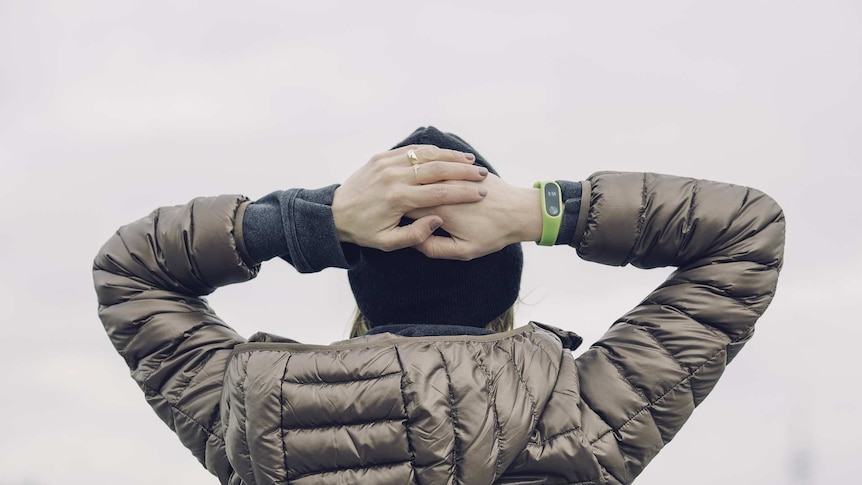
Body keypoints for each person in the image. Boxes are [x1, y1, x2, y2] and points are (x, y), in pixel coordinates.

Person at [93, 127, 785, 485]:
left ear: (365, 290)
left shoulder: (257, 420)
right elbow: (746, 231)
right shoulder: (579, 420)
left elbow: (131, 270)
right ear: (502, 293)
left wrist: (314, 219)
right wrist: (543, 212)